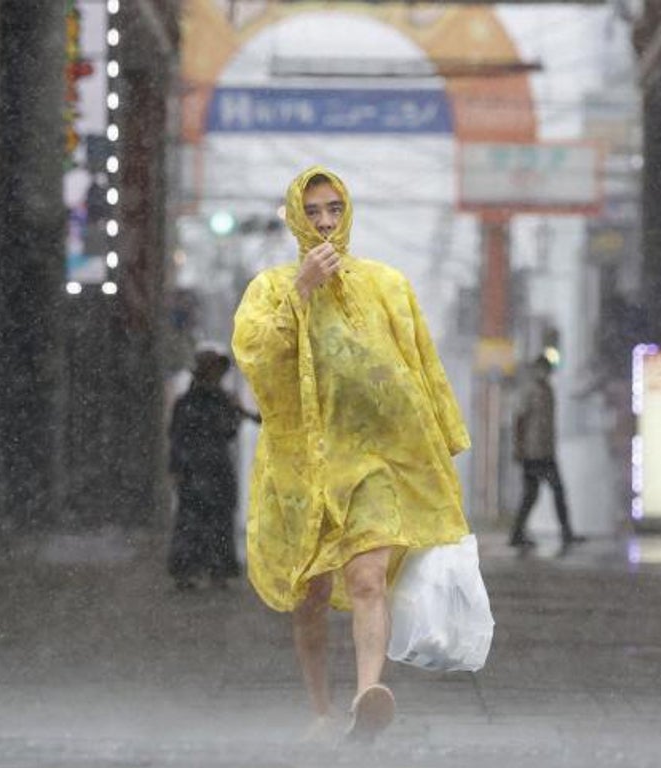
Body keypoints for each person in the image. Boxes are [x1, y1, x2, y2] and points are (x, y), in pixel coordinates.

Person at [232, 166, 471, 744]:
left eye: (333, 209)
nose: (324, 222)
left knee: (367, 577)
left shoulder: (387, 285)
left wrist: (440, 437)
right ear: (295, 216)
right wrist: (302, 290)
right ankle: (320, 707)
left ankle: (369, 692)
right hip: (302, 465)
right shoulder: (271, 289)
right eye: (312, 211)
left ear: (348, 213)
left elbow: (419, 365)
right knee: (309, 594)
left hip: (373, 462)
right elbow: (256, 354)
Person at [167, 347, 255, 591]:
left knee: (211, 521)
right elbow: (179, 436)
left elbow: (228, 430)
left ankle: (210, 570)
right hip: (199, 469)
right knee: (195, 522)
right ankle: (194, 570)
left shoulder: (215, 400)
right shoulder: (194, 402)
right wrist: (176, 466)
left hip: (211, 469)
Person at [510, 356, 582, 551]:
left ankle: (519, 533)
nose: (545, 372)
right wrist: (518, 448)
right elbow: (519, 419)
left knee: (537, 494)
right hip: (533, 453)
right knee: (546, 492)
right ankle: (562, 532)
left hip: (545, 451)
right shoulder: (530, 390)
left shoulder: (547, 389)